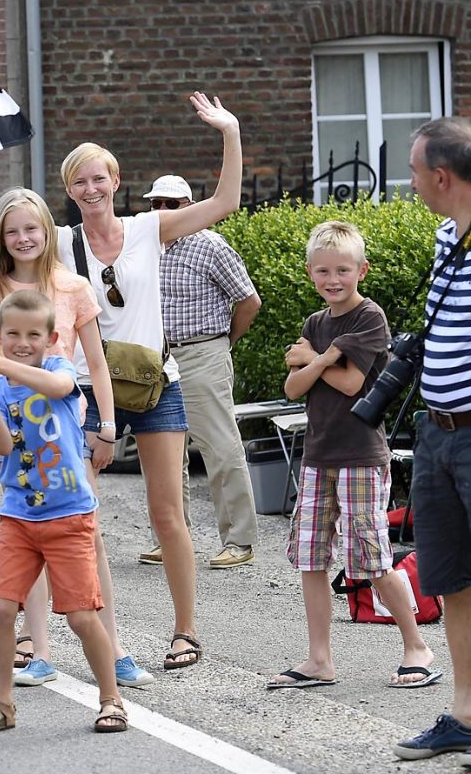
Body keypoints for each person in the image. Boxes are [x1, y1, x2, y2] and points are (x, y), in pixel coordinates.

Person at [56, 92, 242, 670]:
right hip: (88, 390)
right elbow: (5, 245)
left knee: (168, 514)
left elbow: (225, 202)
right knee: (80, 512)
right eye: (80, 181)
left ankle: (186, 632)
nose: (91, 189)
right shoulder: (61, 243)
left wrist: (229, 132)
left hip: (156, 384)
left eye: (99, 178)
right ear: (69, 191)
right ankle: (99, 633)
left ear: (116, 182)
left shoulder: (146, 228)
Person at [0, 187, 153, 689]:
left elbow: (96, 364)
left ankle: (113, 648)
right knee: (28, 533)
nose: (23, 238)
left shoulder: (72, 286)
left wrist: (107, 427)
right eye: (12, 231)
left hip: (66, 429)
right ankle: (40, 651)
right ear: (1, 238)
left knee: (85, 537)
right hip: (14, 430)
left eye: (32, 228)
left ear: (47, 230)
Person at [270, 220, 437, 691]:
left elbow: (350, 383)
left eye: (342, 270)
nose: (333, 279)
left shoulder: (369, 318)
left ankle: (417, 647)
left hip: (361, 456)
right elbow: (292, 387)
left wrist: (315, 358)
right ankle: (319, 659)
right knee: (311, 558)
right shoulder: (315, 323)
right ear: (310, 272)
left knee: (372, 559)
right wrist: (321, 358)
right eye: (323, 271)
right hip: (317, 455)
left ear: (361, 270)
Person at [0, 290, 127, 735]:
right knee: (0, 610)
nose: (22, 342)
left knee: (80, 616)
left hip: (69, 516)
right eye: (12, 334)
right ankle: (2, 704)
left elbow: (59, 389)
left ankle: (110, 699)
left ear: (51, 339)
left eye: (33, 335)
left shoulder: (57, 368)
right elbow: (2, 446)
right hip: (19, 515)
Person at [393, 117, 471, 762]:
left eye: (415, 171)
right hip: (437, 432)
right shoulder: (449, 236)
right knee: (451, 578)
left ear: (441, 176)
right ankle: (466, 716)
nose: (410, 183)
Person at [143, 174, 262, 569]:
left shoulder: (211, 246)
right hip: (156, 357)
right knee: (163, 453)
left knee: (220, 446)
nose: (162, 210)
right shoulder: (144, 245)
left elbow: (249, 301)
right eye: (156, 203)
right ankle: (171, 538)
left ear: (189, 207)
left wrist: (223, 343)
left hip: (202, 350)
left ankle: (239, 540)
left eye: (171, 204)